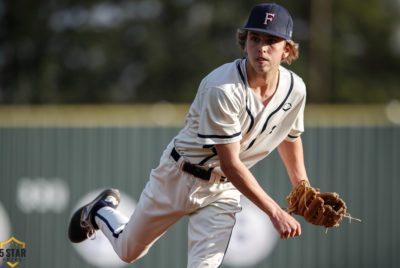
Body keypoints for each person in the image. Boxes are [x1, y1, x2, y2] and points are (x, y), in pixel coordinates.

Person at [68, 3, 309, 267]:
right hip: (179, 175)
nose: (262, 47)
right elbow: (230, 163)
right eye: (255, 38)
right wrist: (274, 212)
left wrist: (303, 188)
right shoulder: (223, 87)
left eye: (271, 41)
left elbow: (289, 136)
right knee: (128, 251)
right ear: (244, 43)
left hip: (221, 190)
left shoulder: (295, 89)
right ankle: (100, 211)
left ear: (287, 49)